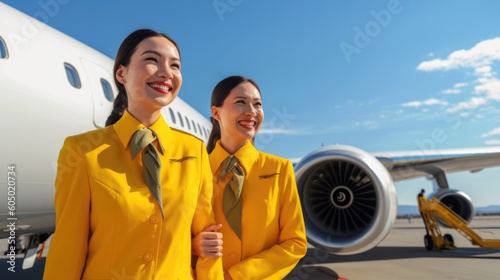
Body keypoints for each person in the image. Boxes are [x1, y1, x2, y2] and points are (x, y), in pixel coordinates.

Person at [43, 29, 223, 279]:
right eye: (152, 60)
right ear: (121, 73)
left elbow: (208, 242)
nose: (166, 72)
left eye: (175, 65)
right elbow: (67, 249)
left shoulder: (194, 152)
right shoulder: (82, 152)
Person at [192, 75, 308, 279]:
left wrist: (237, 276)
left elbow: (296, 243)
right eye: (240, 102)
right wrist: (193, 246)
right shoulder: (193, 170)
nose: (251, 112)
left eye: (257, 105)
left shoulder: (280, 169)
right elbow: (170, 233)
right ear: (216, 112)